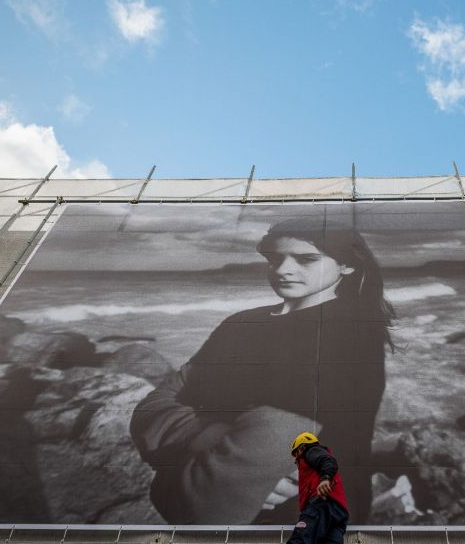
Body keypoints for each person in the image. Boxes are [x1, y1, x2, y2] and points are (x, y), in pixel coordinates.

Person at [130, 218, 394, 525]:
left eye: (306, 259)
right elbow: (150, 408)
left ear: (347, 265)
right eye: (275, 258)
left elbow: (200, 503)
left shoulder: (348, 337)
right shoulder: (240, 323)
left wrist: (175, 465)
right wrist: (211, 436)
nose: (282, 270)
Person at [288, 432, 348, 544]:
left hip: (321, 504)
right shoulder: (314, 457)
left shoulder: (311, 451)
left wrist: (325, 478)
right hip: (339, 512)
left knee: (300, 539)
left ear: (301, 447)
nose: (295, 459)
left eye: (295, 453)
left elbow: (328, 461)